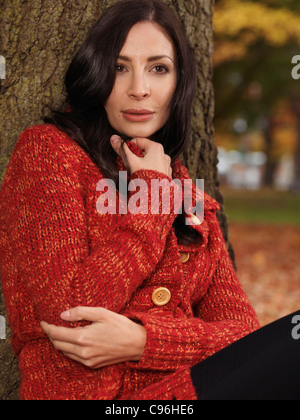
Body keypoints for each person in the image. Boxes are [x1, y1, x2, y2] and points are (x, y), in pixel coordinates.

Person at [0, 0, 299, 401]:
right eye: (120, 67)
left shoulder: (180, 181)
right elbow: (70, 315)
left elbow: (242, 335)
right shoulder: (48, 153)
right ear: (97, 73)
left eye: (158, 68)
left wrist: (144, 341)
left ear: (180, 82)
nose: (138, 87)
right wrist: (153, 199)